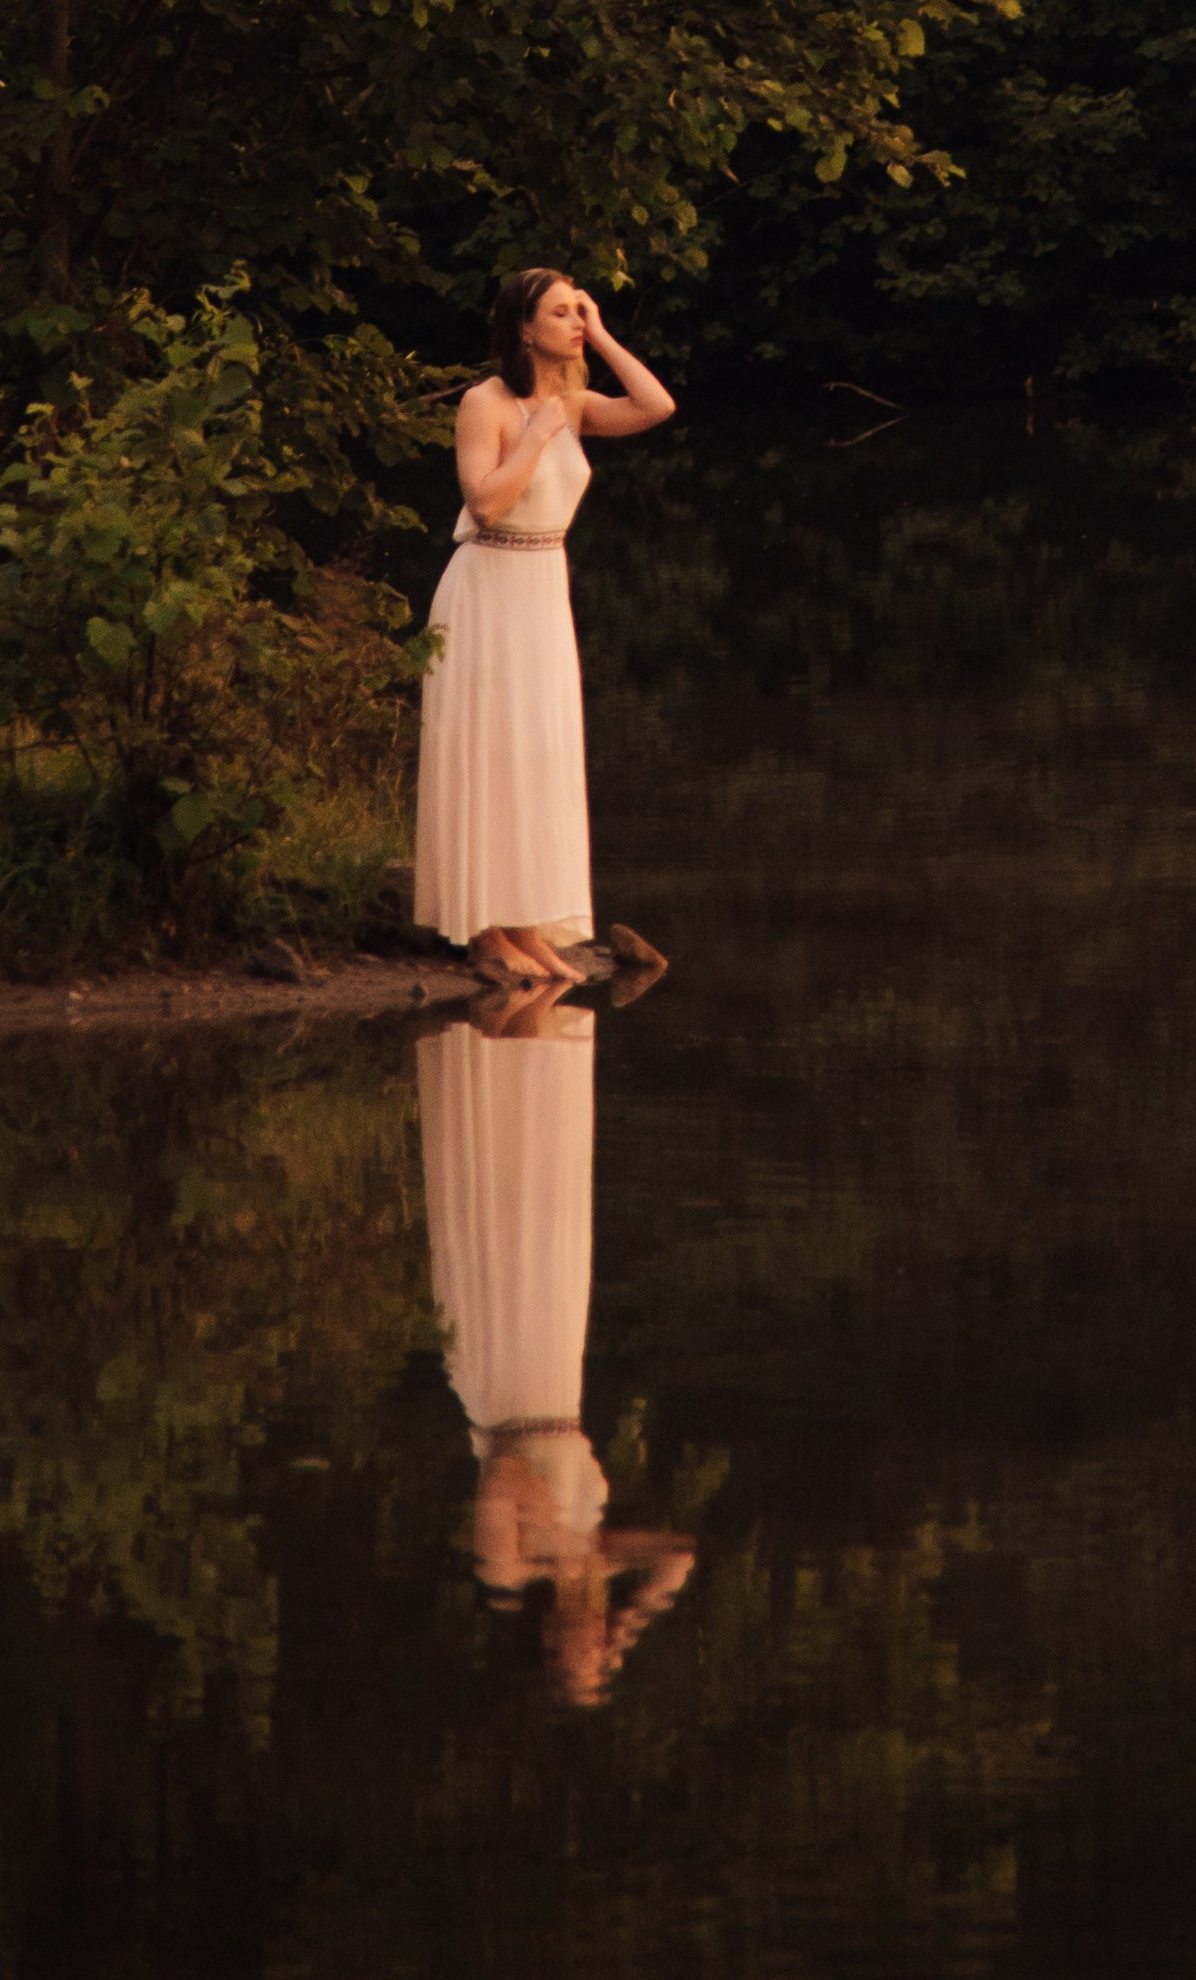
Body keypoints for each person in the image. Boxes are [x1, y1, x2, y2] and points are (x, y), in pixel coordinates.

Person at [419, 984, 696, 1709]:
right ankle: (531, 1056)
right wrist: (627, 1625)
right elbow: (679, 1556)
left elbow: (504, 1473)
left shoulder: (509, 1572)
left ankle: (492, 1061)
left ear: (551, 1644)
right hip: (557, 1390)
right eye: (605, 1662)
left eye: (586, 1661)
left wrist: (564, 1550)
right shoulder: (597, 1562)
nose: (597, 1648)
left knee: (504, 1230)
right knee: (551, 1227)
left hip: (507, 1390)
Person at [414, 269, 675, 989]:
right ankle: (486, 929)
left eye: (579, 311)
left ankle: (527, 922)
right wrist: (535, 434)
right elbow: (485, 505)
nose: (576, 322)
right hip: (488, 590)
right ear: (524, 329)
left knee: (538, 755)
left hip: (542, 589)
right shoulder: (486, 403)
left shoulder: (574, 403)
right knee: (492, 752)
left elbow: (656, 406)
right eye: (561, 313)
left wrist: (603, 332)